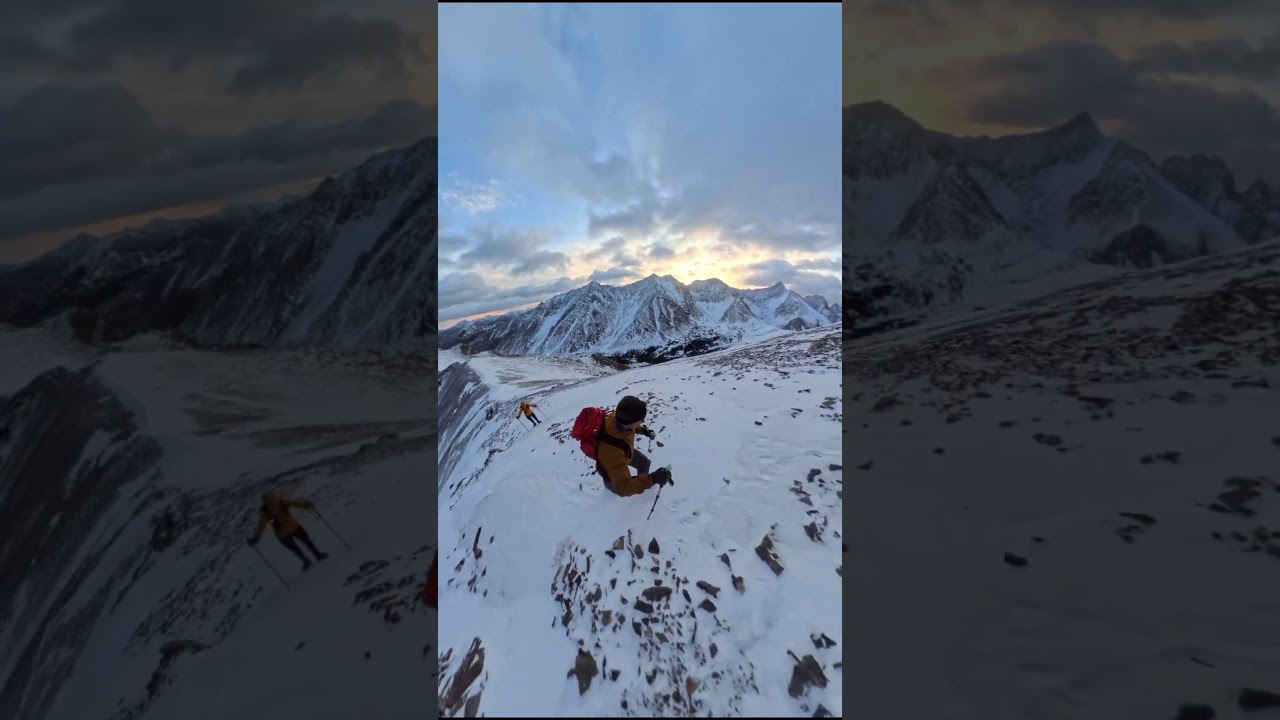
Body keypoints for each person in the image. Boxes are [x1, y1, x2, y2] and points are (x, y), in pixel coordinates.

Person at [595, 395, 670, 497]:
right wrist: (652, 479)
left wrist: (644, 431)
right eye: (640, 420)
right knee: (616, 486)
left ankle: (641, 484)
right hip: (612, 467)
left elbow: (633, 427)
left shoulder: (617, 418)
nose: (643, 422)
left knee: (644, 463)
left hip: (626, 451)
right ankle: (613, 488)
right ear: (629, 423)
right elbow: (624, 488)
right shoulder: (611, 451)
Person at [248, 491, 329, 569]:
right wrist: (306, 504)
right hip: (294, 526)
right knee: (307, 542)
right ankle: (317, 554)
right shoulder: (282, 503)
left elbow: (261, 527)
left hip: (282, 534)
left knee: (294, 548)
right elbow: (295, 503)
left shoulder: (265, 513)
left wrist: (255, 539)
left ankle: (306, 561)